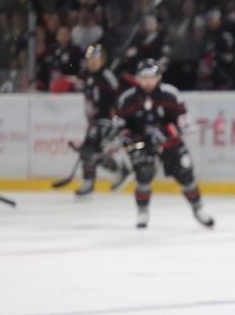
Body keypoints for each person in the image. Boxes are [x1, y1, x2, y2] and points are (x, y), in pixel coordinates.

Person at [115, 59, 214, 230]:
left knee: (186, 175)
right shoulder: (128, 99)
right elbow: (121, 127)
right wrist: (130, 141)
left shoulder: (171, 94)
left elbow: (183, 123)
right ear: (137, 78)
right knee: (144, 174)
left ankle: (199, 210)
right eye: (143, 77)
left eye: (151, 77)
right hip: (143, 144)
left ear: (158, 77)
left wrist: (166, 131)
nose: (147, 81)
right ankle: (142, 212)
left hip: (171, 144)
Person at [74, 44, 131, 198]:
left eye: (96, 58)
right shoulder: (87, 76)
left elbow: (119, 98)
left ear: (103, 60)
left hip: (106, 120)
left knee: (89, 151)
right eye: (90, 58)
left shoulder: (106, 76)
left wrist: (117, 119)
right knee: (91, 152)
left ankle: (89, 182)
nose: (92, 61)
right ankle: (120, 171)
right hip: (95, 121)